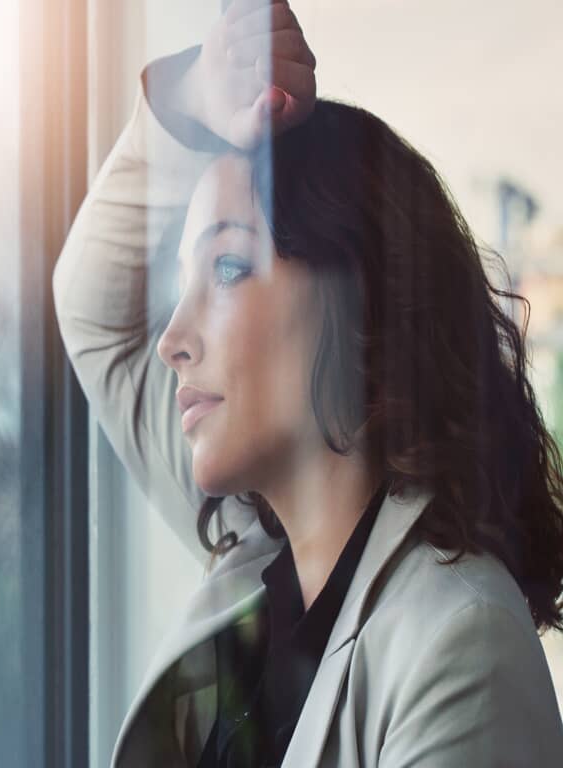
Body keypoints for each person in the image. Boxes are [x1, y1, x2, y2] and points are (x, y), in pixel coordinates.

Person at [52, 0, 563, 765]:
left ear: (361, 296)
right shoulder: (253, 544)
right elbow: (96, 309)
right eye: (182, 282)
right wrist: (195, 101)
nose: (171, 341)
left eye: (226, 267)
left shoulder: (460, 643)